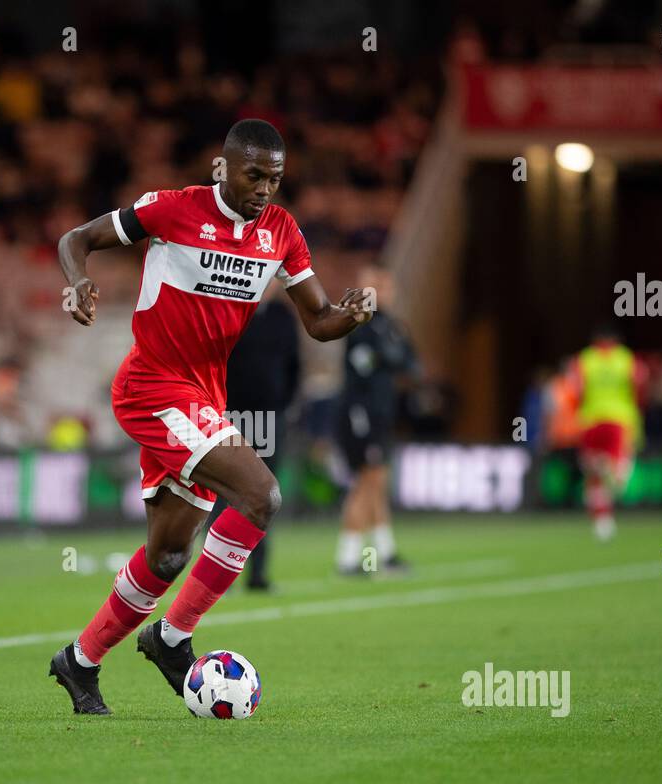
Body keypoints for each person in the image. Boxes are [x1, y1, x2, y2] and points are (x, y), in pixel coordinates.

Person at [50, 118, 373, 715]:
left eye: (275, 179)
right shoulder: (171, 209)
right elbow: (76, 239)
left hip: (203, 397)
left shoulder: (281, 232)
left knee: (169, 554)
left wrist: (348, 317)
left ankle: (79, 661)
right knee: (261, 495)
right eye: (254, 175)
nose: (264, 189)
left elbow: (318, 320)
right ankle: (172, 639)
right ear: (223, 167)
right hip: (152, 387)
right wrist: (78, 284)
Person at [204, 297, 302, 592]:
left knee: (264, 495)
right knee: (223, 494)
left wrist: (282, 405)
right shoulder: (229, 308)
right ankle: (215, 573)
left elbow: (294, 363)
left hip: (269, 416)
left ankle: (257, 573)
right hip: (230, 414)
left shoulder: (283, 314)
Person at [333, 265, 418, 575]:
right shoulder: (361, 325)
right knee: (367, 482)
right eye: (374, 286)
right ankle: (348, 557)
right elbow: (380, 363)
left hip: (380, 413)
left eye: (384, 286)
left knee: (377, 482)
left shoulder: (390, 326)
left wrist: (392, 357)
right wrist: (391, 357)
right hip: (361, 414)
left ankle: (386, 552)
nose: (382, 292)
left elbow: (410, 362)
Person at [568, 326, 647, 541]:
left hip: (592, 420)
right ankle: (615, 471)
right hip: (619, 420)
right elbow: (639, 386)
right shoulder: (626, 359)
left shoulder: (585, 359)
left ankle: (602, 520)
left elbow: (576, 390)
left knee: (592, 473)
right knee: (612, 474)